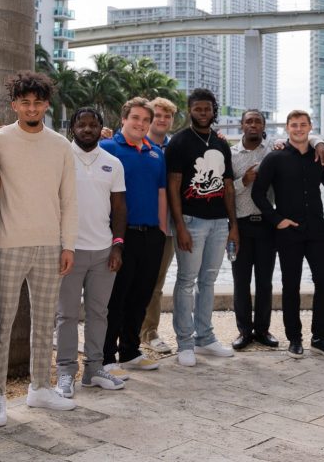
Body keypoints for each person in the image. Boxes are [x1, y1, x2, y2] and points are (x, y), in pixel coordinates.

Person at [0, 71, 78, 427]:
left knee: (44, 322)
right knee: (2, 323)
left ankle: (40, 387)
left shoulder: (60, 145)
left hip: (50, 245)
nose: (32, 108)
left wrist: (68, 245)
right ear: (14, 105)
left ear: (46, 105)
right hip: (8, 244)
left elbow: (69, 199)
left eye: (38, 102)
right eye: (25, 102)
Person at [251, 110, 324, 358]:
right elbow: (258, 193)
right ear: (287, 128)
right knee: (291, 285)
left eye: (303, 125)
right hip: (289, 230)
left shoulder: (319, 155)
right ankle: (294, 338)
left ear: (310, 127)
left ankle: (320, 337)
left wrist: (322, 146)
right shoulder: (275, 157)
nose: (298, 129)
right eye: (294, 125)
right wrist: (276, 220)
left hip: (318, 228)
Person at [54, 107, 127, 397]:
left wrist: (117, 245)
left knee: (99, 313)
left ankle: (94, 369)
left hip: (103, 251)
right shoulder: (61, 158)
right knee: (67, 315)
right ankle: (65, 372)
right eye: (81, 125)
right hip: (69, 250)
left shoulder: (112, 163)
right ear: (72, 128)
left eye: (93, 125)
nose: (87, 129)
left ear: (101, 128)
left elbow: (119, 207)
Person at [167, 88, 238, 367]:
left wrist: (233, 225)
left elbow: (228, 187)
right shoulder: (179, 142)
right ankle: (185, 342)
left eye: (207, 108)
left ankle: (205, 337)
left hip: (219, 222)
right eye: (197, 108)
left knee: (208, 280)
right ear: (190, 110)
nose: (203, 113)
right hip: (191, 221)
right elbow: (173, 187)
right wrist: (180, 226)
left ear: (213, 110)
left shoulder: (221, 143)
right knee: (186, 281)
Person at [99, 98, 167, 377]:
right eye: (135, 118)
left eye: (145, 120)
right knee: (116, 298)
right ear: (124, 119)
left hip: (151, 235)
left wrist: (162, 231)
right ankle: (106, 358)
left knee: (141, 296)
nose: (141, 124)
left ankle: (130, 351)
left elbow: (161, 192)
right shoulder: (107, 148)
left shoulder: (156, 153)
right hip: (120, 235)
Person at [230, 110, 279, 350]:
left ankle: (262, 330)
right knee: (241, 281)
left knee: (265, 281)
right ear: (242, 125)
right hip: (240, 226)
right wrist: (244, 181)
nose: (253, 124)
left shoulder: (273, 151)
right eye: (248, 121)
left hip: (266, 225)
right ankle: (244, 331)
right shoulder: (230, 154)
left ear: (263, 126)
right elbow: (224, 190)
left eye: (257, 121)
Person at [140, 97, 178, 355]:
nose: (162, 120)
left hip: (168, 227)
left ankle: (149, 332)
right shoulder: (134, 142)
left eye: (167, 116)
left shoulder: (176, 147)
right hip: (135, 223)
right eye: (158, 115)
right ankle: (126, 332)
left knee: (156, 282)